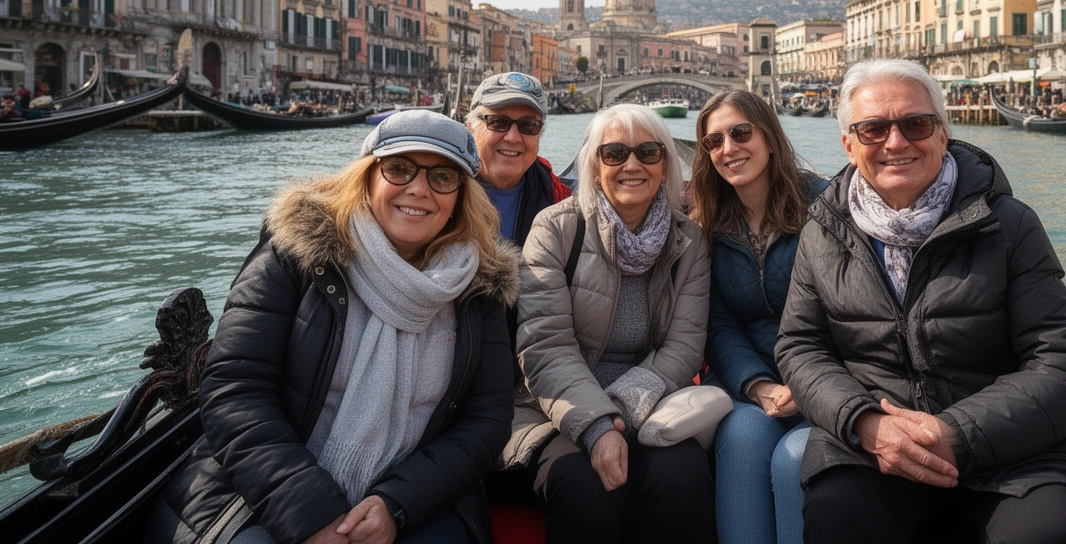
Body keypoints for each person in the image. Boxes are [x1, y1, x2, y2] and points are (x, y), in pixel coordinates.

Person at [148, 111, 519, 544]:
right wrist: (311, 512)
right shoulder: (295, 256)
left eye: (442, 177)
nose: (419, 188)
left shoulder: (480, 285)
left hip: (418, 492)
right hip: (257, 485)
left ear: (460, 195)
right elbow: (236, 390)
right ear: (368, 176)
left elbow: (487, 419)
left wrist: (395, 504)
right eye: (399, 169)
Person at [775, 59, 1066, 544]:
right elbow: (800, 348)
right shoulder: (821, 232)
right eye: (873, 129)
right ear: (848, 144)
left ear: (943, 133)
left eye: (915, 123)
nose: (896, 142)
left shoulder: (1009, 224)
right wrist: (864, 422)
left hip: (1016, 451)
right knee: (836, 522)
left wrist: (956, 433)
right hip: (874, 451)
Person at [502, 103, 714, 544]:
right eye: (614, 153)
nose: (632, 164)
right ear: (595, 167)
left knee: (685, 476)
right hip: (549, 410)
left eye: (648, 152)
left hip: (649, 403)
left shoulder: (688, 240)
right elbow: (545, 347)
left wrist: (624, 408)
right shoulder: (556, 229)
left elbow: (685, 345)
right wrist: (598, 425)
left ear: (664, 166)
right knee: (585, 484)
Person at [689, 90, 825, 544]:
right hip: (752, 385)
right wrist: (759, 386)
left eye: (741, 132)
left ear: (768, 135)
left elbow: (849, 313)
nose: (729, 149)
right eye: (713, 142)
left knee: (793, 457)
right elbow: (719, 323)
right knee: (743, 440)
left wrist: (806, 387)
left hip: (827, 382)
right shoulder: (708, 223)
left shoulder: (824, 207)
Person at [464, 72, 571, 248]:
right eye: (498, 122)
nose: (513, 137)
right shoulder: (439, 193)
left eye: (528, 125)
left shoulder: (562, 202)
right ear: (471, 128)